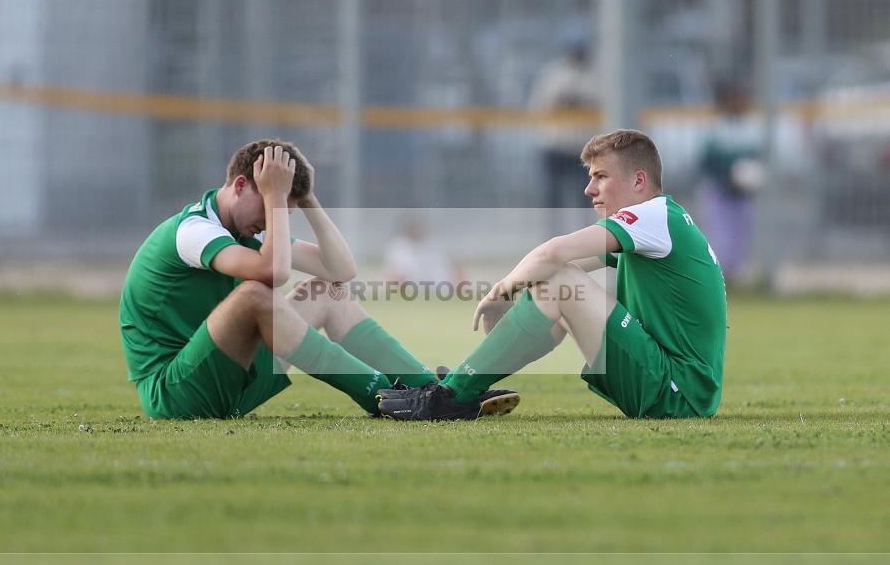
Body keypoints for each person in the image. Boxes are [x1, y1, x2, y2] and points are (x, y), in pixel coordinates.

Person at [119, 139, 519, 419]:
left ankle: (437, 393)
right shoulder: (192, 230)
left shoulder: (249, 227)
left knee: (326, 291)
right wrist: (276, 197)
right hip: (175, 392)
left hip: (229, 378)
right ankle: (382, 394)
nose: (277, 217)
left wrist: (305, 197)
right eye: (273, 204)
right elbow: (272, 275)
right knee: (256, 297)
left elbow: (341, 270)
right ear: (241, 186)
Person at [378, 130, 726, 421]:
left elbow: (553, 254)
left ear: (639, 180)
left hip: (676, 394)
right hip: (677, 388)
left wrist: (502, 291)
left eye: (600, 176)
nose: (590, 189)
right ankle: (460, 387)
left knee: (561, 281)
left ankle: (449, 396)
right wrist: (517, 297)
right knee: (559, 282)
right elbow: (553, 270)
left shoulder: (654, 215)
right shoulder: (662, 222)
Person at [530, 36, 599, 235]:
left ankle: (585, 236)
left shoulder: (594, 76)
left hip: (582, 147)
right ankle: (552, 236)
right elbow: (539, 105)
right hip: (556, 145)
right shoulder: (554, 75)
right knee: (554, 198)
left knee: (585, 197)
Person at [696, 80, 764, 284]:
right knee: (721, 236)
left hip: (742, 193)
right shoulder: (717, 127)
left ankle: (734, 277)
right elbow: (706, 162)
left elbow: (756, 159)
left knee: (740, 236)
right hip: (720, 190)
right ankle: (718, 278)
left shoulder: (751, 127)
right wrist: (727, 177)